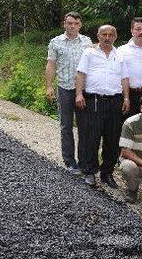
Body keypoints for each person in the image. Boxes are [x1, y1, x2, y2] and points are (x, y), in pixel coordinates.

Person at [75, 25, 130, 188]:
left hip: (115, 101)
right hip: (94, 100)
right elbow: (81, 73)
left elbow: (125, 77)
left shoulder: (120, 55)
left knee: (113, 138)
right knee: (91, 137)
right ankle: (89, 171)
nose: (107, 37)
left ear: (115, 36)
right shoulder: (89, 52)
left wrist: (126, 98)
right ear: (98, 36)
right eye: (104, 34)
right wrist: (79, 94)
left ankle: (107, 172)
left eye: (111, 34)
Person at [46, 12, 93, 175]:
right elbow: (51, 65)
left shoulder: (87, 42)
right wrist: (49, 86)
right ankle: (69, 161)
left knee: (84, 126)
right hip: (65, 88)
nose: (72, 26)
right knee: (66, 125)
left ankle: (83, 161)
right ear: (64, 24)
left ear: (80, 25)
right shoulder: (56, 42)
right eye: (70, 23)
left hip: (83, 90)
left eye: (76, 23)